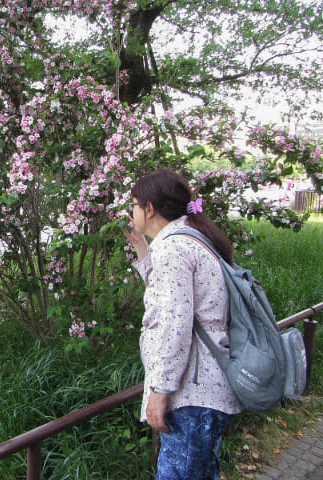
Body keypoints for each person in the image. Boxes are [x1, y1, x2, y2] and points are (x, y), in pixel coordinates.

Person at [123, 170, 243, 480]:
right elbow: (171, 297)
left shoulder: (174, 249)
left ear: (149, 209)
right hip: (206, 394)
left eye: (134, 204)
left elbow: (174, 325)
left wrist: (160, 391)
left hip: (191, 396)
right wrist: (142, 250)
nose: (132, 211)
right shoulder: (189, 238)